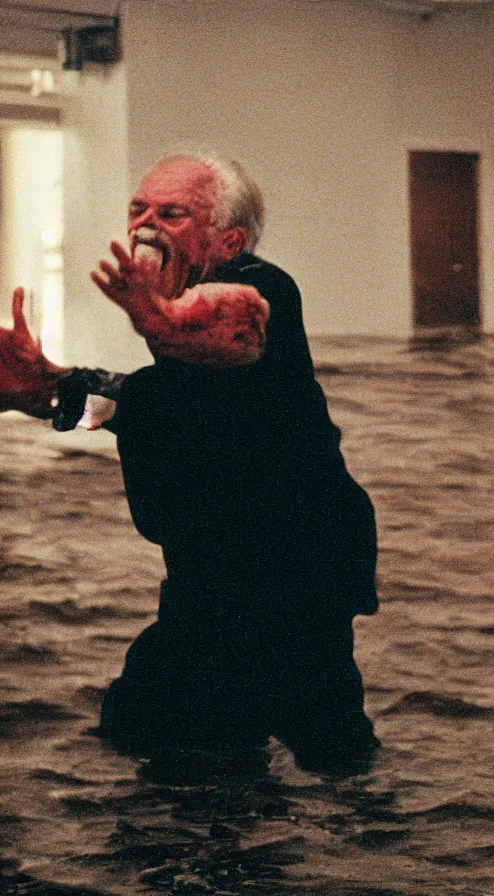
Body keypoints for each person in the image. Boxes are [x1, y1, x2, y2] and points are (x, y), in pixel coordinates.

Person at [0, 154, 379, 775]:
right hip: (216, 574)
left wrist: (160, 322)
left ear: (228, 239)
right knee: (161, 732)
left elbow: (233, 333)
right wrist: (44, 389)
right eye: (138, 210)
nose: (147, 225)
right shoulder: (168, 357)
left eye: (172, 213)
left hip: (291, 573)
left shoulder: (261, 289)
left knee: (299, 748)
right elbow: (131, 405)